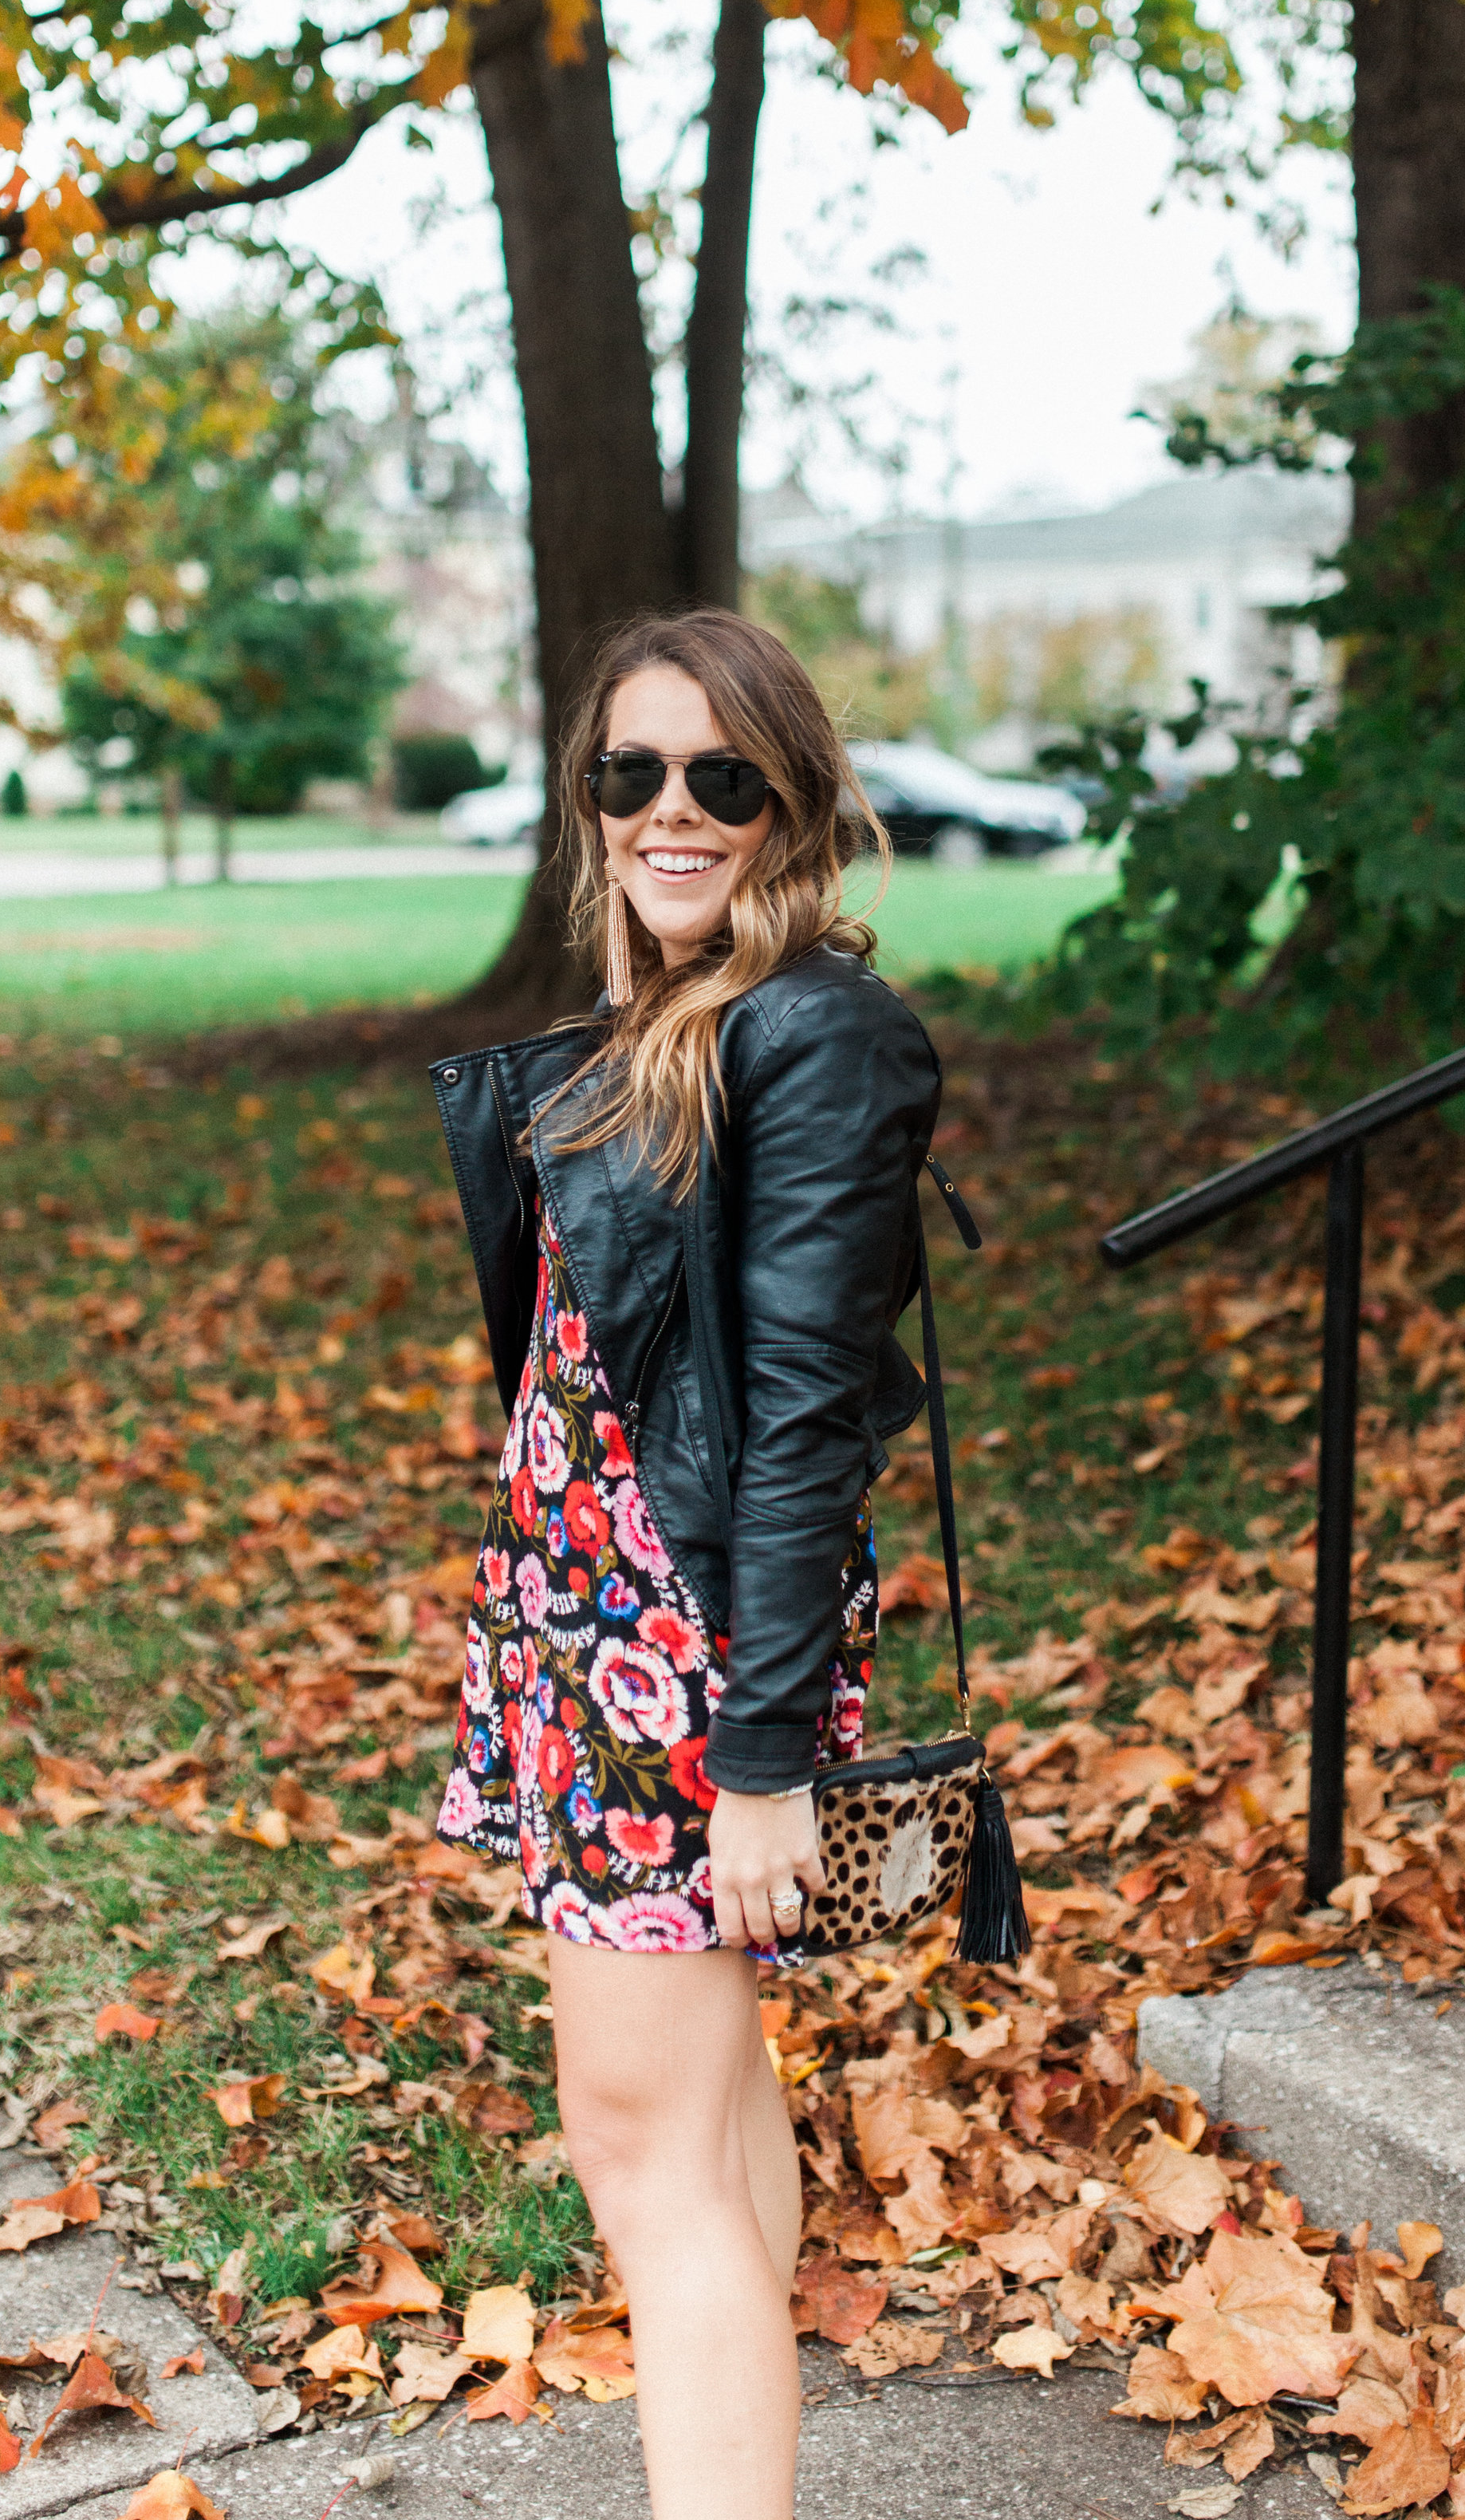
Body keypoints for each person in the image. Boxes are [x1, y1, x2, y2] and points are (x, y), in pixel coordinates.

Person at [430, 608, 943, 2518]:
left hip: (683, 1647)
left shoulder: (814, 1030)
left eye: (719, 778)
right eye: (629, 771)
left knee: (637, 2151)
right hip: (592, 1622)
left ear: (789, 803)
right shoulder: (673, 1021)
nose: (669, 810)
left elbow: (806, 1416)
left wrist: (760, 1749)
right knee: (710, 2127)